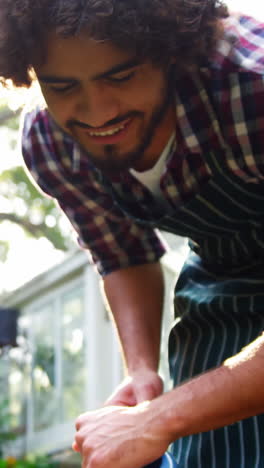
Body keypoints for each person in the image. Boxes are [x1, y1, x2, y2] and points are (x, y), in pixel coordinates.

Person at [0, 0, 264, 466]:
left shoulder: (251, 86)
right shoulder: (52, 142)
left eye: (120, 77)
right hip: (222, 289)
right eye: (63, 87)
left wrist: (159, 418)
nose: (97, 112)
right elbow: (123, 255)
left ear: (170, 53)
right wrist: (142, 375)